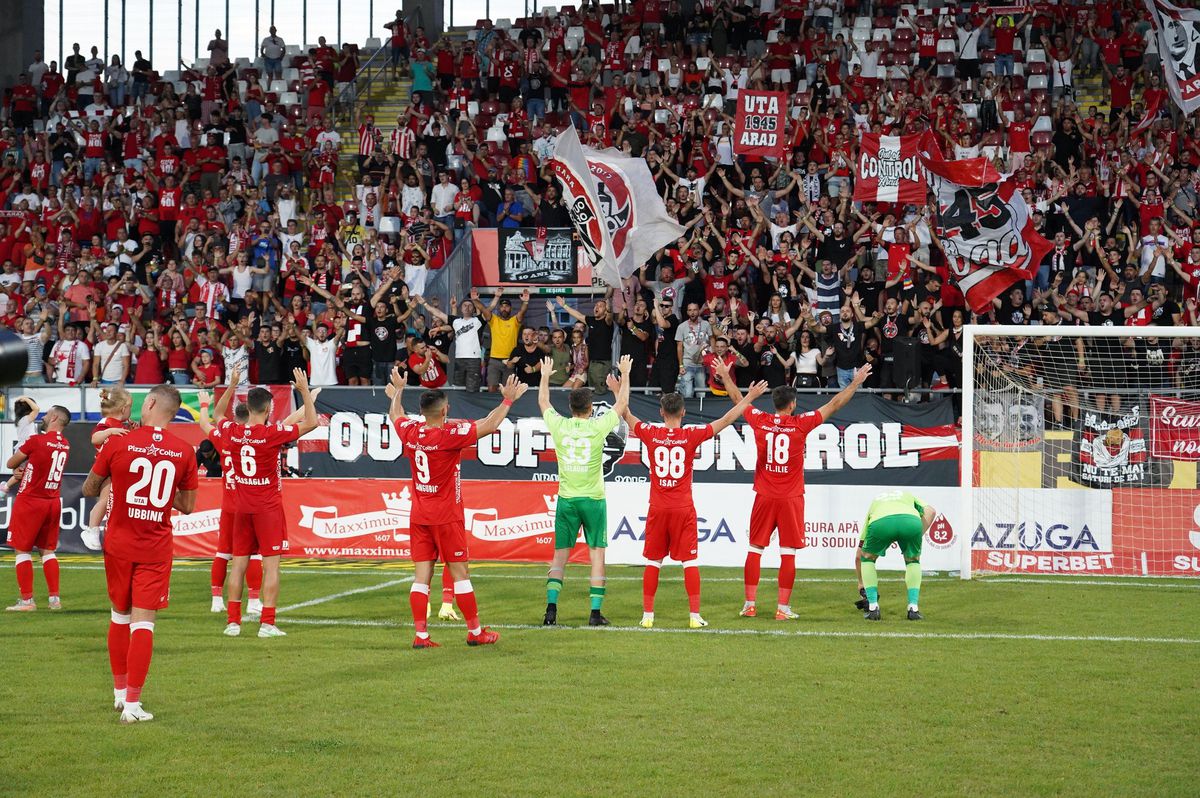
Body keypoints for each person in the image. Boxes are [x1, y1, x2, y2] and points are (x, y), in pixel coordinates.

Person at [712, 358, 872, 620]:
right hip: (790, 497)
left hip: (764, 495)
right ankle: (782, 608)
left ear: (774, 404)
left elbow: (738, 401)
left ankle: (750, 604)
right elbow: (834, 404)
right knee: (788, 552)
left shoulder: (760, 420)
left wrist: (726, 376)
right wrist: (855, 382)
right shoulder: (801, 424)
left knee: (755, 549)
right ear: (793, 404)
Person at [82, 385, 199, 724]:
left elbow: (90, 488)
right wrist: (158, 496)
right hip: (155, 546)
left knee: (120, 615)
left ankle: (119, 694)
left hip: (119, 542)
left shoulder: (118, 441)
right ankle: (132, 705)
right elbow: (188, 506)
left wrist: (118, 480)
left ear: (149, 403)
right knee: (143, 623)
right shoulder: (183, 450)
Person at [388, 368, 527, 647]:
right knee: (461, 573)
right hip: (446, 516)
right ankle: (476, 633)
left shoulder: (411, 431)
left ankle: (421, 635)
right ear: (443, 411)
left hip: (419, 515)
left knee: (421, 577)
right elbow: (489, 426)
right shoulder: (448, 435)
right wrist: (508, 400)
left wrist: (398, 391)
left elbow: (395, 416)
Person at [622, 384, 769, 629]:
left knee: (653, 562)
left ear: (661, 412)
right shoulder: (690, 435)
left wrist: (620, 388)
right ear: (683, 413)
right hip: (682, 508)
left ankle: (648, 616)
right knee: (689, 562)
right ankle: (694, 616)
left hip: (657, 508)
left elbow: (627, 415)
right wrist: (749, 398)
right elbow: (725, 419)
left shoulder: (650, 433)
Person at [213, 368, 318, 638]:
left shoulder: (233, 432)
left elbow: (216, 416)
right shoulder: (271, 434)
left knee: (238, 565)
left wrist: (232, 384)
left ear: (247, 407)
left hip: (240, 507)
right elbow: (311, 423)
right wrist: (305, 391)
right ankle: (267, 623)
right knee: (271, 567)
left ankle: (233, 622)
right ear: (269, 407)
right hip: (267, 508)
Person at [538, 354, 632, 626]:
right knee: (597, 555)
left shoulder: (560, 425)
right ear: (591, 408)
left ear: (570, 407)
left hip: (567, 499)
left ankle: (551, 611)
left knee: (560, 556)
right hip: (593, 499)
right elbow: (622, 403)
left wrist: (545, 375)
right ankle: (594, 613)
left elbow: (543, 402)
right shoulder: (597, 427)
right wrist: (625, 374)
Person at [4, 405, 71, 611]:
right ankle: (54, 599)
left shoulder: (37, 441)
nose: (44, 416)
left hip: (31, 500)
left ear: (55, 418)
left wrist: (21, 470)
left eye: (48, 413)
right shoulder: (66, 445)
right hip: (52, 501)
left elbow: (10, 463)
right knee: (48, 551)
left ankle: (27, 600)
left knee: (22, 550)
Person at [859, 490, 936, 621]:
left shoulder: (876, 501)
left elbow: (861, 547)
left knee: (867, 559)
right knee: (913, 561)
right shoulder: (907, 495)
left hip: (881, 522)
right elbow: (931, 511)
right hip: (911, 521)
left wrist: (861, 582)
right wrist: (917, 534)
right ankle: (913, 608)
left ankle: (873, 607)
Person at [80, 388, 134, 551]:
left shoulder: (121, 425)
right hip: (106, 469)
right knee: (105, 500)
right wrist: (110, 431)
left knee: (113, 502)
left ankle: (106, 530)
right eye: (130, 407)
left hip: (117, 469)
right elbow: (95, 439)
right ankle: (92, 529)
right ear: (124, 408)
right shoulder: (106, 423)